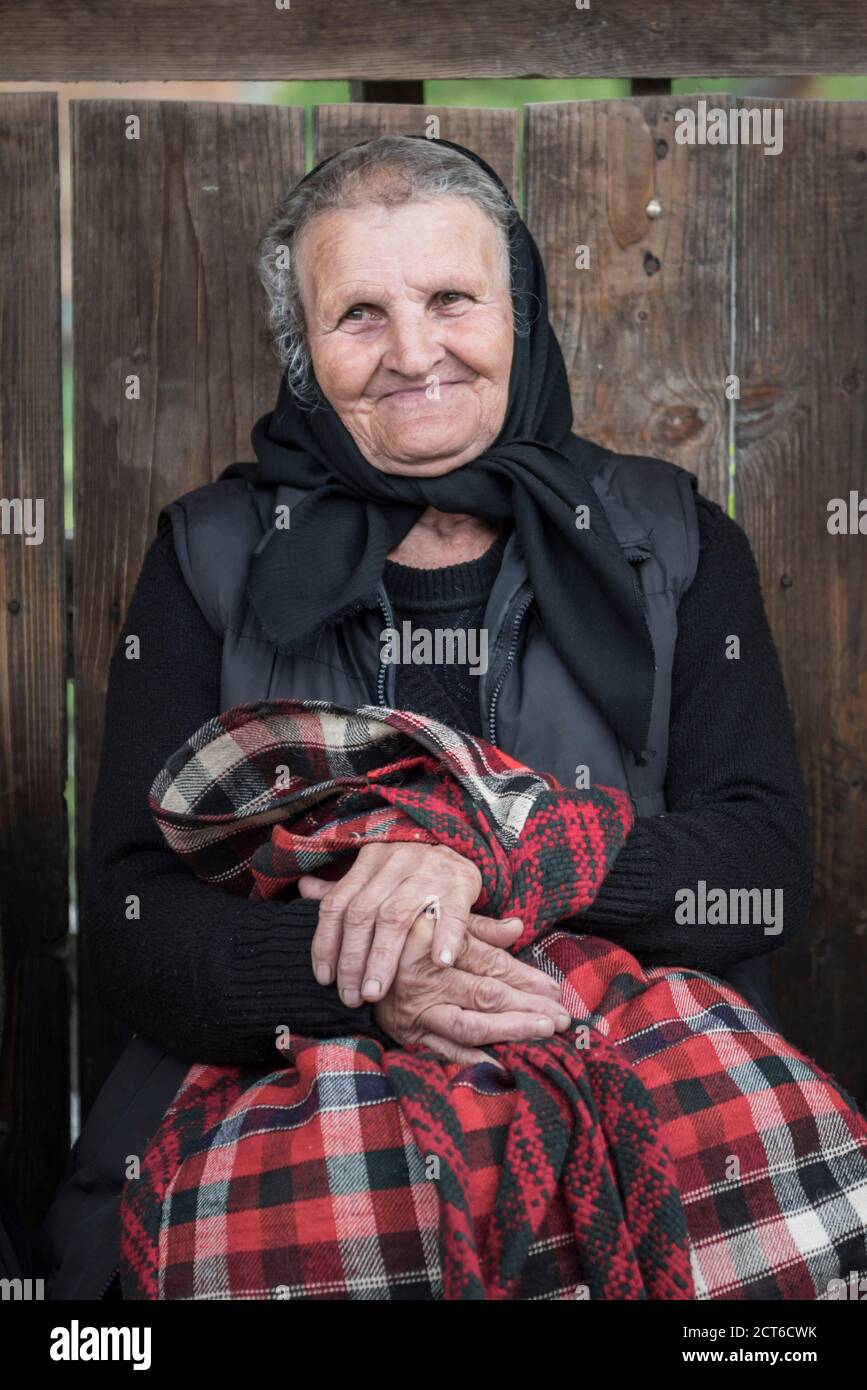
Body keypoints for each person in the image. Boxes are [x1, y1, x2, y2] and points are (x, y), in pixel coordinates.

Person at [42, 133, 814, 1298]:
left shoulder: (673, 539)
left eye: (452, 297)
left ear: (519, 311)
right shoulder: (209, 555)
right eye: (358, 315)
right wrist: (368, 979)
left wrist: (489, 854)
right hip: (282, 1110)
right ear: (304, 354)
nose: (414, 353)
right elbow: (133, 915)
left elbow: (760, 862)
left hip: (630, 1080)